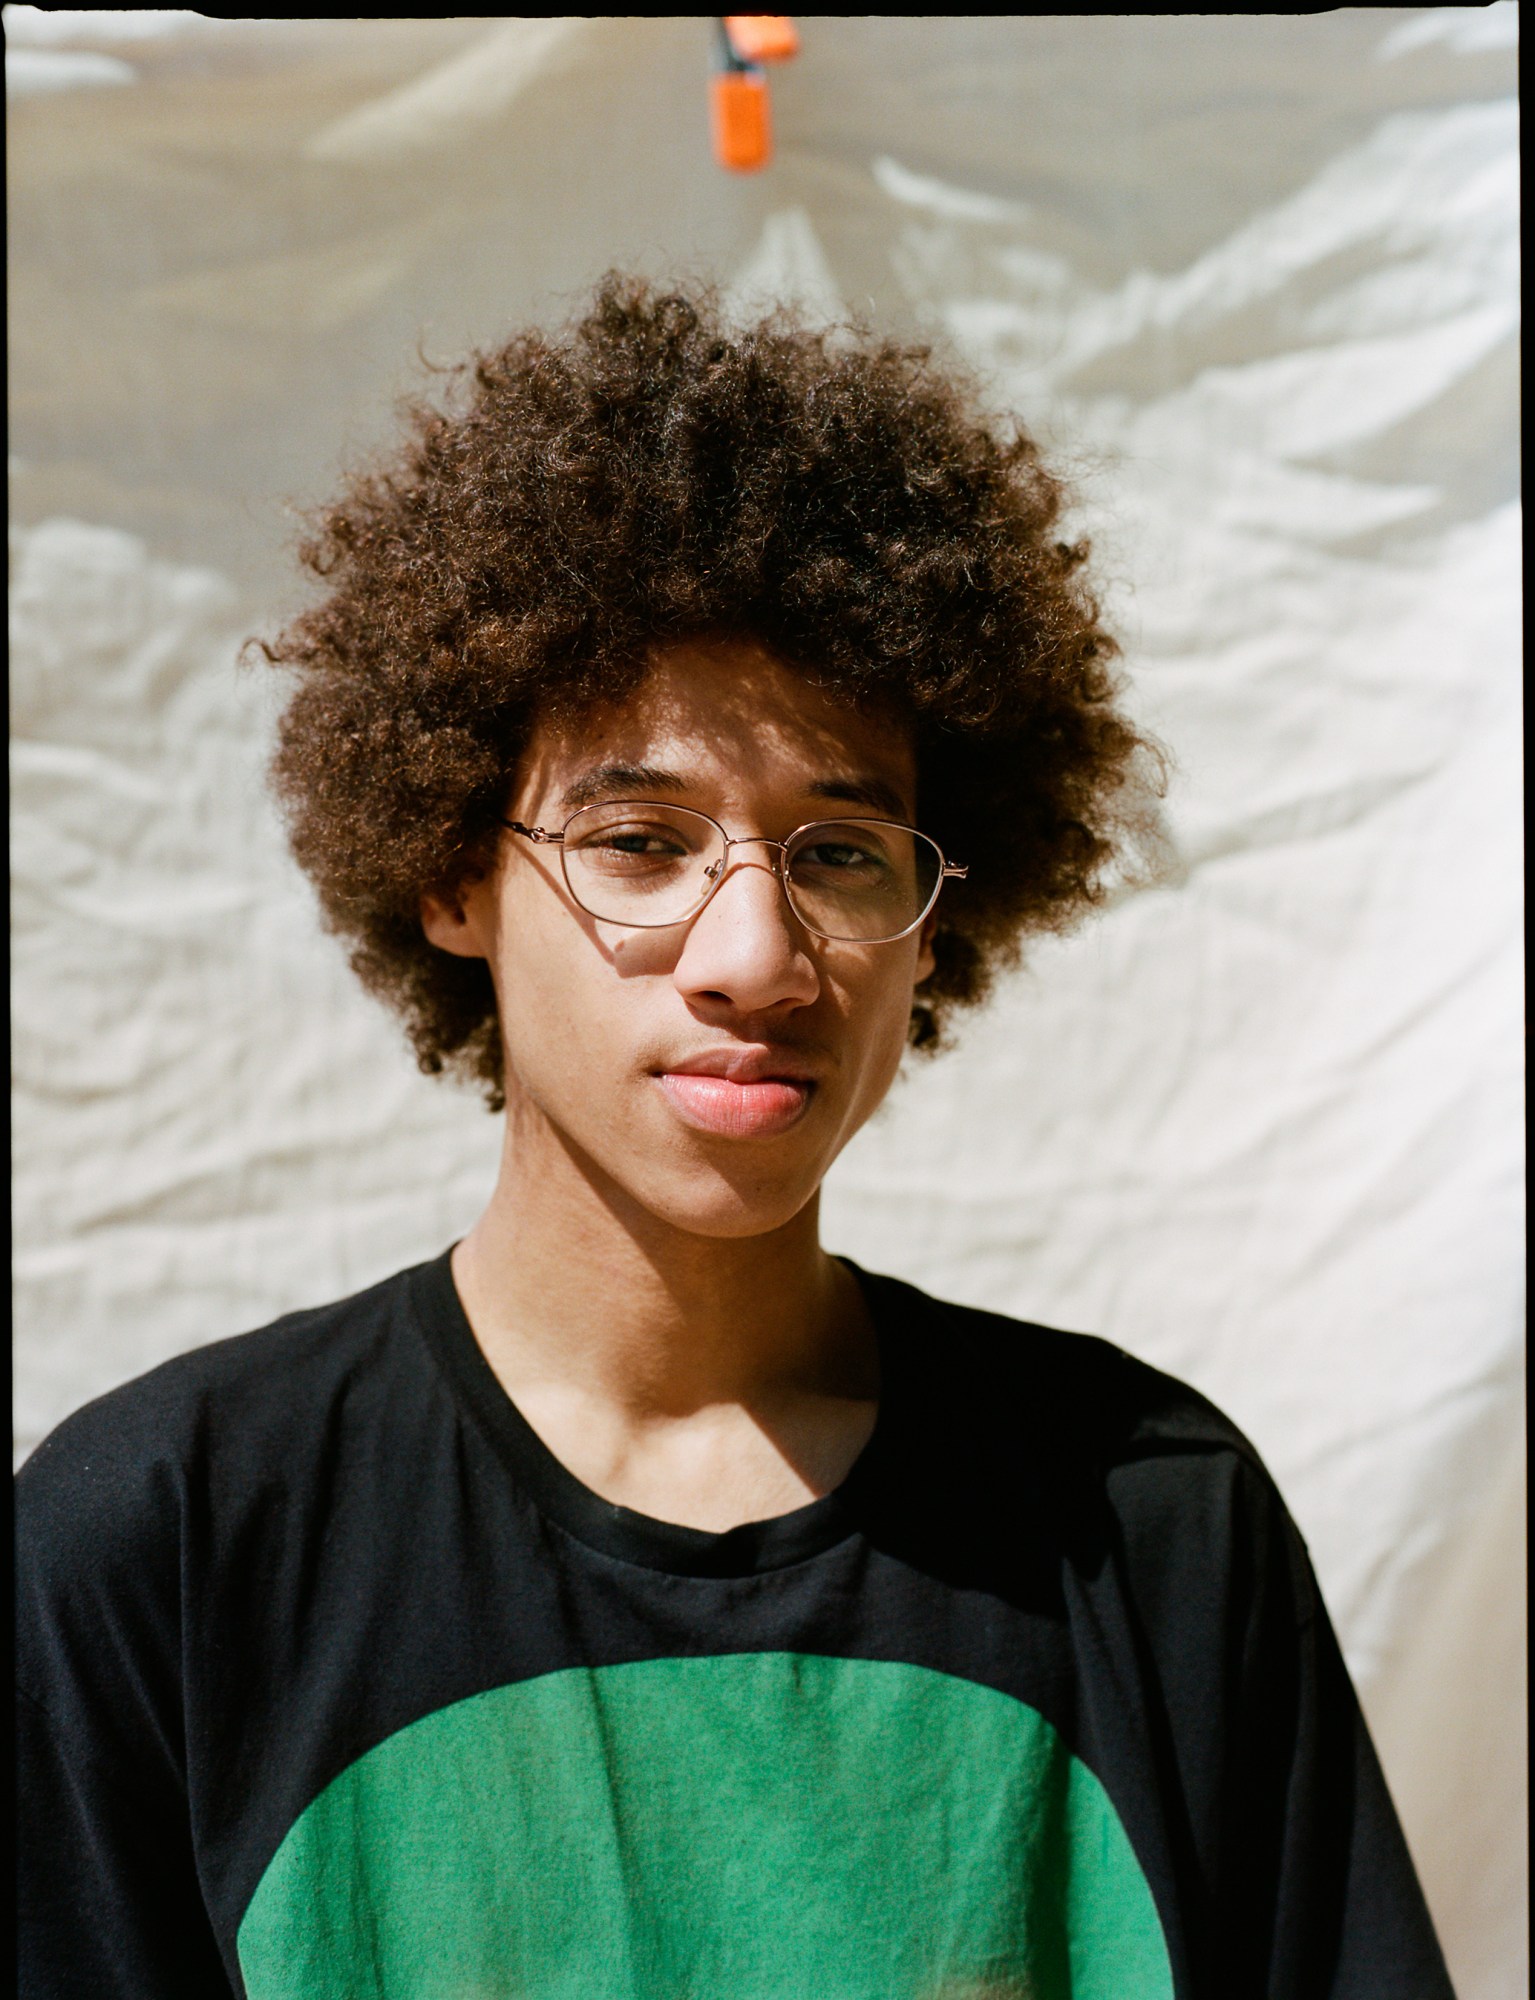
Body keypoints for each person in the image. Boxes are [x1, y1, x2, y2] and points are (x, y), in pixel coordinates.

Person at [17, 275, 1454, 2000]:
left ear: (935, 922)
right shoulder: (159, 1545)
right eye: (637, 840)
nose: (758, 957)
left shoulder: (1148, 1523)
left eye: (842, 854)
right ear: (454, 874)